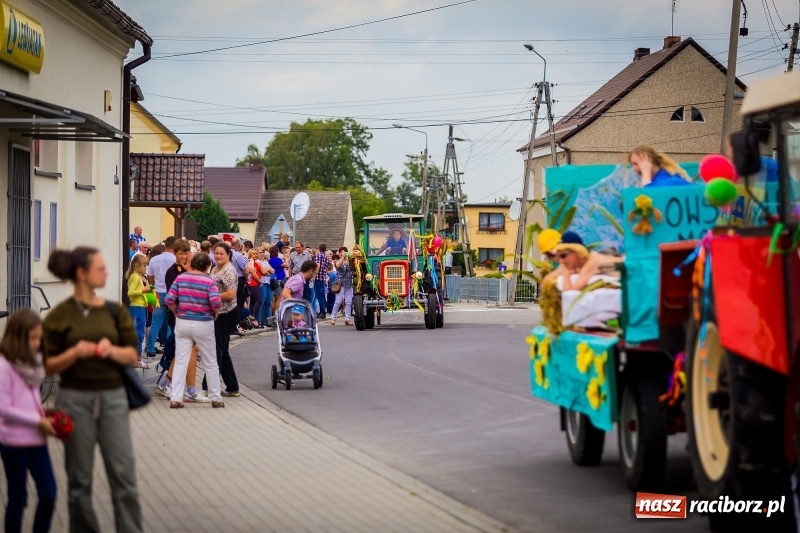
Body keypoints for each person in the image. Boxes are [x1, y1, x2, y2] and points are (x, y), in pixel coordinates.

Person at [42, 247, 142, 532]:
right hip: (73, 400)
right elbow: (47, 367)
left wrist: (111, 350)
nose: (107, 272)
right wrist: (74, 353)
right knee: (79, 480)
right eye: (100, 268)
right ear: (82, 274)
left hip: (113, 399)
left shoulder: (114, 311)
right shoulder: (59, 316)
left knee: (123, 476)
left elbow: (131, 354)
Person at [0, 309, 58, 533]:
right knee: (18, 498)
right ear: (17, 336)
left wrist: (45, 414)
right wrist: (37, 420)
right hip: (12, 441)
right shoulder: (4, 365)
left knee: (49, 493)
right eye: (32, 338)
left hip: (36, 438)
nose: (37, 343)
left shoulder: (34, 363)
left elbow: (30, 398)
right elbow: (4, 407)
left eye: (39, 338)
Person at [165, 253, 224, 409]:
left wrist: (176, 311)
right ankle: (215, 397)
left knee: (181, 360)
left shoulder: (181, 278)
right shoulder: (209, 281)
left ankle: (176, 398)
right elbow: (216, 302)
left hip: (183, 322)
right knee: (210, 361)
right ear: (207, 266)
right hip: (204, 323)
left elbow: (169, 299)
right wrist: (215, 314)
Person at [155, 239, 209, 404]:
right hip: (181, 316)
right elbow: (175, 297)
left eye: (187, 253)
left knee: (188, 351)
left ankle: (174, 384)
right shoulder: (173, 272)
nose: (185, 256)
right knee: (188, 351)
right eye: (181, 253)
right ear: (175, 254)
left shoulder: (190, 269)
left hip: (194, 315)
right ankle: (184, 387)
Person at [206, 242, 242, 397]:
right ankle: (232, 386)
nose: (218, 256)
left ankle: (207, 388)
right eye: (216, 253)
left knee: (216, 350)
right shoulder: (215, 268)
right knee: (223, 351)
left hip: (226, 313)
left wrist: (210, 297)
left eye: (222, 253)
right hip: (217, 313)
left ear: (229, 255)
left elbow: (231, 294)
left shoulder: (228, 270)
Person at [145, 236, 177, 357]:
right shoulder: (175, 259)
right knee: (171, 322)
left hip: (158, 292)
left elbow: (149, 276)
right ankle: (170, 348)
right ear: (174, 246)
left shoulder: (154, 259)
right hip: (172, 292)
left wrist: (154, 286)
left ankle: (150, 348)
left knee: (155, 322)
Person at [125, 254, 151, 369]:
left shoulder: (135, 276)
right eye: (144, 265)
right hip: (137, 308)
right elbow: (131, 292)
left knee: (136, 333)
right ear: (137, 265)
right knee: (139, 334)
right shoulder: (135, 277)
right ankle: (136, 359)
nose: (146, 268)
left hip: (137, 307)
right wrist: (144, 290)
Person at [331, 247, 354, 326]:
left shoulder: (350, 261)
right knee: (338, 301)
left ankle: (348, 319)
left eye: (344, 252)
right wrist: (343, 257)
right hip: (340, 284)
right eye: (341, 252)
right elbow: (338, 265)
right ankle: (333, 317)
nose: (342, 253)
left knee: (349, 302)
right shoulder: (337, 261)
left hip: (348, 284)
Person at [246, 249, 265, 328]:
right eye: (254, 254)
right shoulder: (250, 262)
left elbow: (263, 271)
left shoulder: (256, 262)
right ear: (250, 254)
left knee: (253, 302)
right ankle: (254, 320)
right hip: (253, 283)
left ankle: (251, 320)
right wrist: (260, 281)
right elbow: (253, 274)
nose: (256, 255)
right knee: (259, 301)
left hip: (255, 283)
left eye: (257, 253)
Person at [313, 244, 331, 319]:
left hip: (317, 278)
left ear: (319, 248)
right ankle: (324, 310)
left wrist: (314, 276)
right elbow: (327, 267)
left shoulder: (318, 256)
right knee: (323, 295)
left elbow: (317, 266)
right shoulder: (326, 257)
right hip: (323, 278)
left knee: (318, 295)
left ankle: (322, 312)